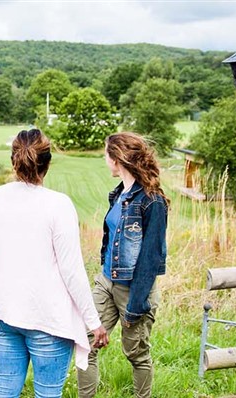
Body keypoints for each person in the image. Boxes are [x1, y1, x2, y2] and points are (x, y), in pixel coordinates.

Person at [0, 129, 108, 398]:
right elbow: (71, 269)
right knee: (47, 394)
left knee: (4, 389)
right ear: (47, 163)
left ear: (13, 160)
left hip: (3, 312)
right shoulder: (58, 205)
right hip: (47, 317)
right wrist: (93, 322)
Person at [77, 132, 169, 398]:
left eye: (106, 154)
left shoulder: (152, 201)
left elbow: (151, 259)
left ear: (117, 159)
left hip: (134, 290)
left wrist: (136, 305)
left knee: (136, 354)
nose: (104, 160)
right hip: (106, 281)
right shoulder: (119, 194)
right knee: (86, 342)